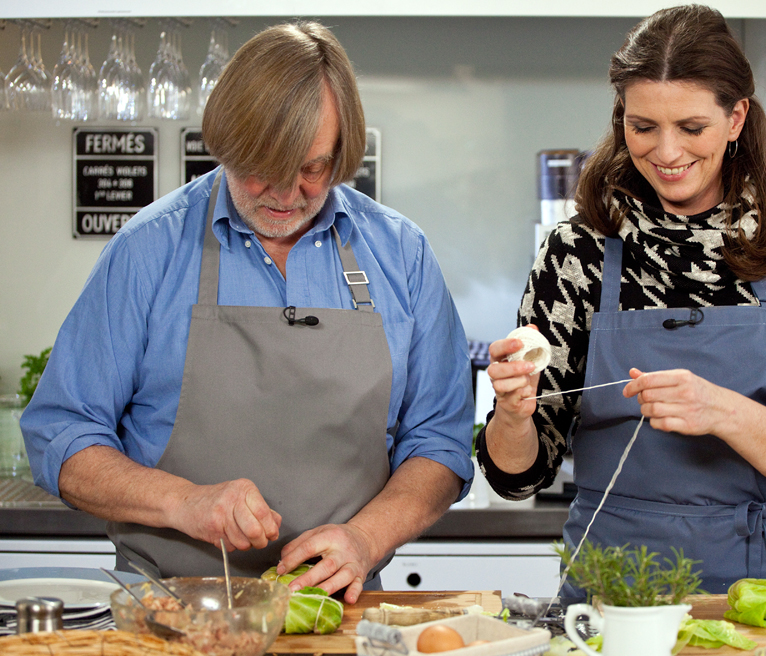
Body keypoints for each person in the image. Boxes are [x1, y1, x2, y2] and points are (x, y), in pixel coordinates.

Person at [21, 22, 474, 604]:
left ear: (342, 152)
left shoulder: (401, 255)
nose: (287, 195)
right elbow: (60, 434)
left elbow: (438, 442)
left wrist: (364, 538)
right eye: (263, 168)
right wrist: (186, 502)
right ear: (226, 144)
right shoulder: (148, 250)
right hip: (165, 611)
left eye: (312, 168)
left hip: (338, 611)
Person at [477, 5, 766, 595]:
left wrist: (723, 412)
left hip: (763, 578)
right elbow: (518, 478)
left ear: (735, 118)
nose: (666, 152)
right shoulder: (577, 252)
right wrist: (512, 412)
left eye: (691, 127)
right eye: (643, 126)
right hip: (610, 579)